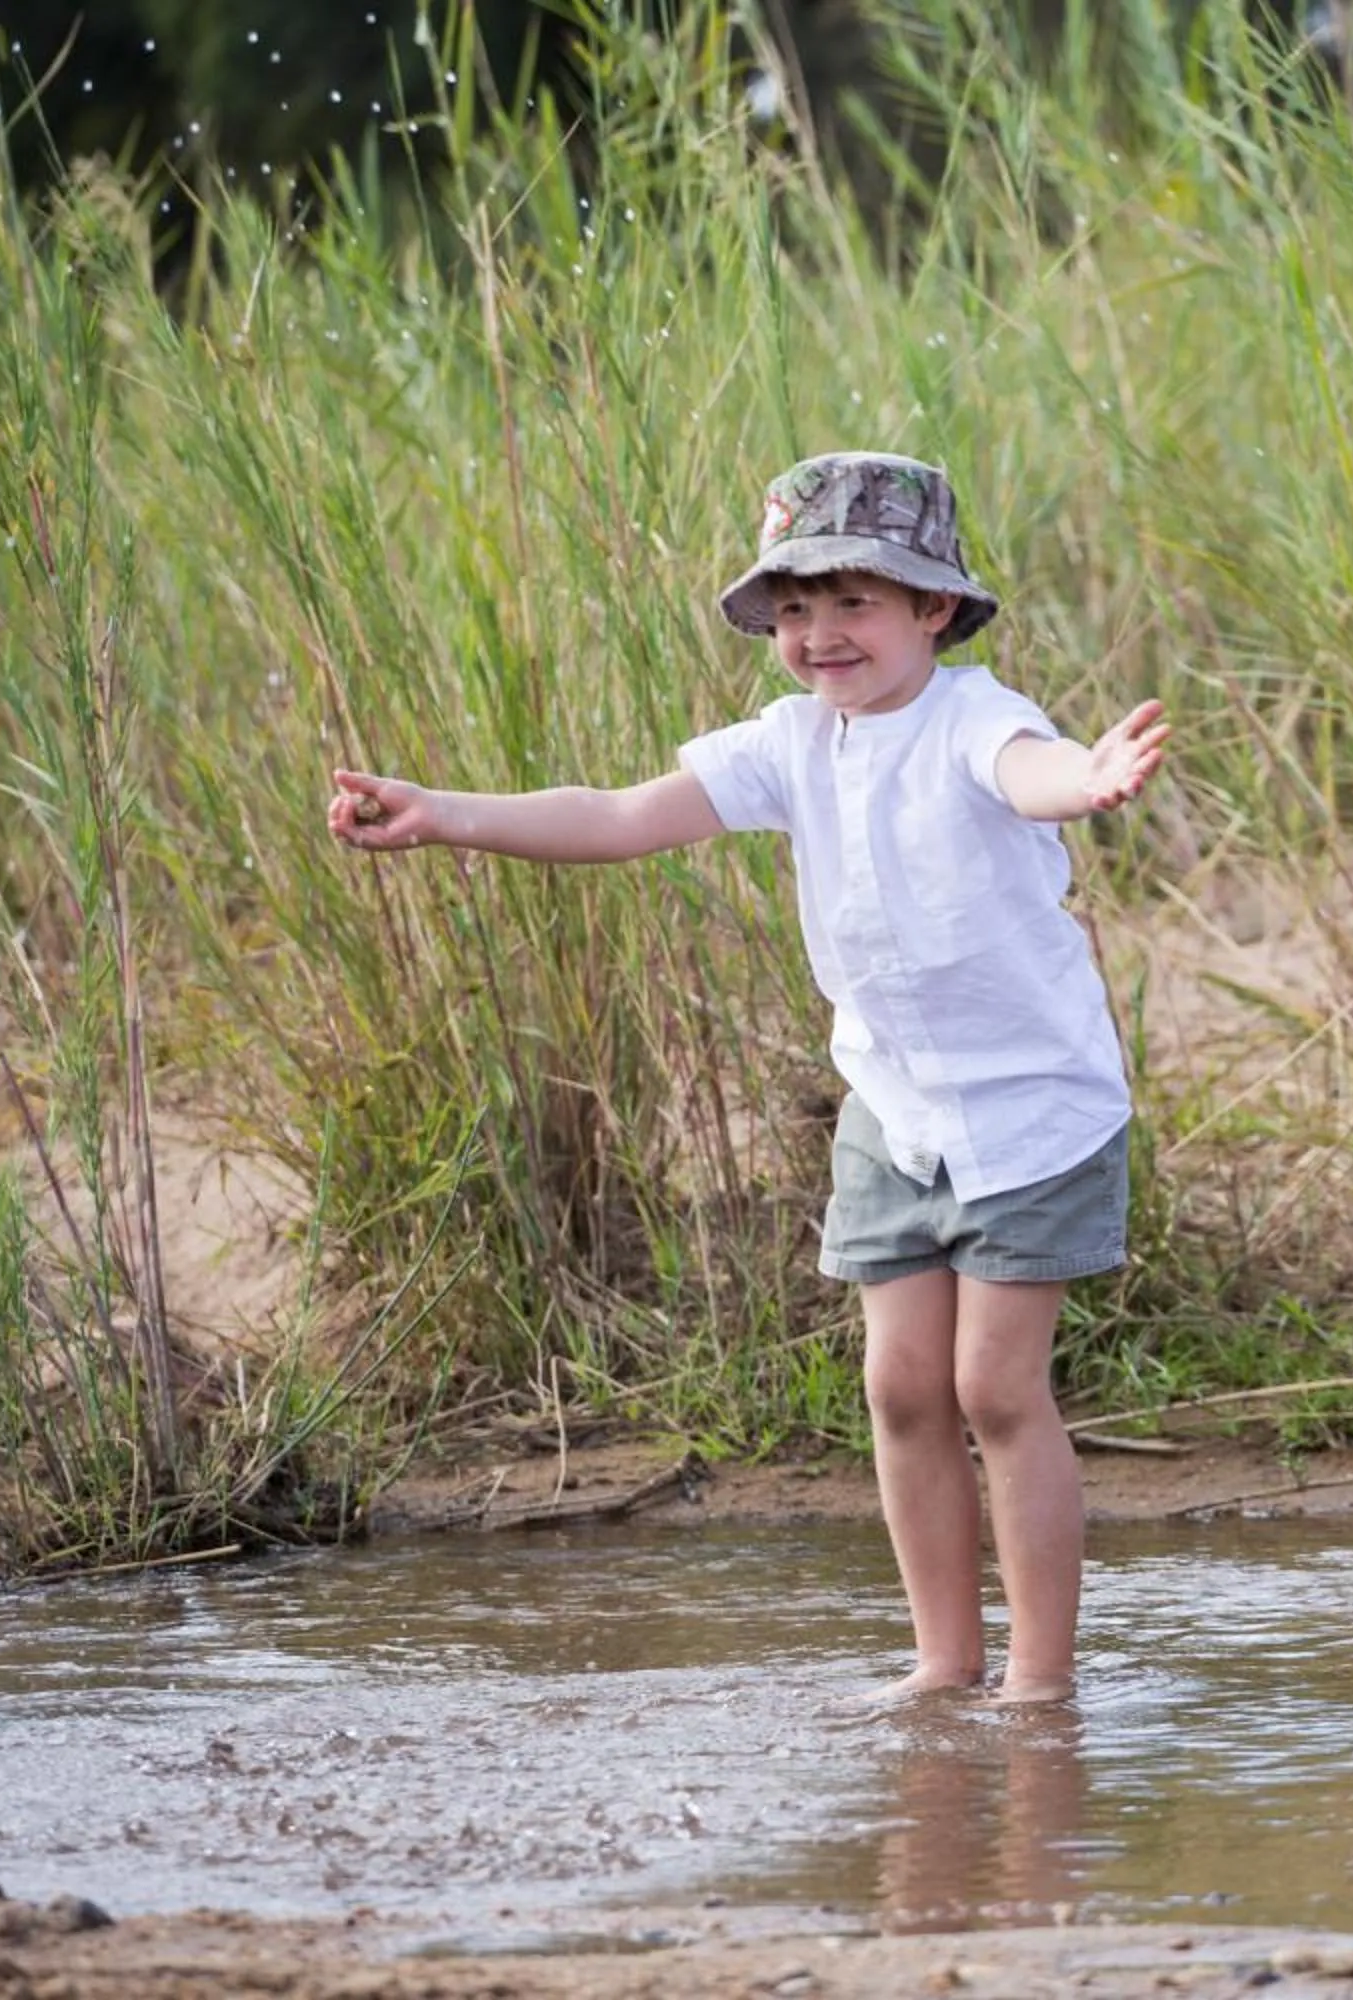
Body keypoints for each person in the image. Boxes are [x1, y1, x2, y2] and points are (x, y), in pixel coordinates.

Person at [329, 450, 1168, 1702]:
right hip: (893, 1109)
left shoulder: (976, 718)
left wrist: (1087, 782)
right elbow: (618, 814)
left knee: (994, 1386)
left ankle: (1040, 1682)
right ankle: (946, 1660)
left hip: (1031, 1107)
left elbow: (1028, 773)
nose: (821, 635)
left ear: (933, 607)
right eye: (793, 610)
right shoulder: (792, 742)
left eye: (854, 602)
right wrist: (444, 810)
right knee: (898, 1386)